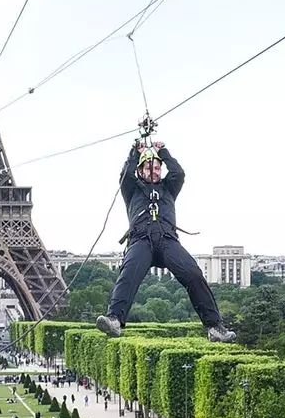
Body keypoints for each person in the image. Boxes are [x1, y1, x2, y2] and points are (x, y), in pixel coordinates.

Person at [96, 139, 236, 342]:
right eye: (149, 167)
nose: (154, 171)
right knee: (128, 274)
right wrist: (135, 152)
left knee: (194, 274)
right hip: (141, 240)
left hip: (167, 239)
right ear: (140, 170)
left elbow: (178, 173)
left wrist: (163, 152)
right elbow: (125, 174)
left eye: (157, 168)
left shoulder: (168, 188)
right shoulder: (132, 189)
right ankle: (115, 319)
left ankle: (215, 326)